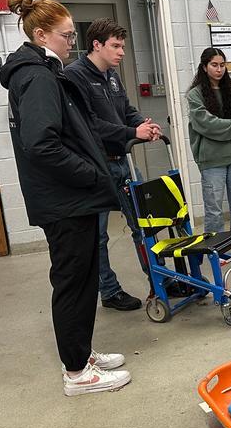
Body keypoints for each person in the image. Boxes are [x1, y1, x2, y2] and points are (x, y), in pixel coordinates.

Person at [0, 0, 131, 397]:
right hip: (66, 199)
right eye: (66, 35)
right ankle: (77, 373)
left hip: (70, 197)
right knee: (74, 282)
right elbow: (42, 144)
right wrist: (90, 175)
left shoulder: (44, 70)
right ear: (41, 34)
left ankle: (82, 352)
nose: (72, 42)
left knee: (84, 277)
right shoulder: (36, 76)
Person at [65, 18, 160, 312]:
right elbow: (89, 124)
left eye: (123, 46)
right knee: (98, 236)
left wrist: (143, 125)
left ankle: (159, 282)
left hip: (124, 163)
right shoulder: (74, 77)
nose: (121, 52)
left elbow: (125, 110)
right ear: (96, 45)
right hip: (96, 167)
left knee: (146, 225)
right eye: (115, 46)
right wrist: (132, 133)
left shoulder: (112, 76)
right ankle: (109, 290)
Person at [187, 47, 231, 234]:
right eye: (214, 65)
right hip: (212, 160)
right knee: (214, 211)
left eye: (222, 65)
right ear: (204, 67)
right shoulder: (195, 95)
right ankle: (218, 250)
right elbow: (207, 125)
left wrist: (229, 126)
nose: (219, 69)